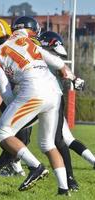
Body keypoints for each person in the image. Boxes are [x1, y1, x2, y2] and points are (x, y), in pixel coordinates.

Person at [0, 17, 77, 195]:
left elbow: (4, 87)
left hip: (33, 91)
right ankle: (64, 190)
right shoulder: (23, 39)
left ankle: (35, 167)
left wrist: (12, 107)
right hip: (54, 91)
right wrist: (67, 72)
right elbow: (53, 60)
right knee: (47, 144)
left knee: (2, 133)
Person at [39, 31, 95, 169]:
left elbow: (61, 68)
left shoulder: (45, 58)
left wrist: (73, 78)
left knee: (57, 140)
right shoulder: (48, 58)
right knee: (67, 139)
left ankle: (68, 178)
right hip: (53, 100)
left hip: (45, 101)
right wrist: (74, 78)